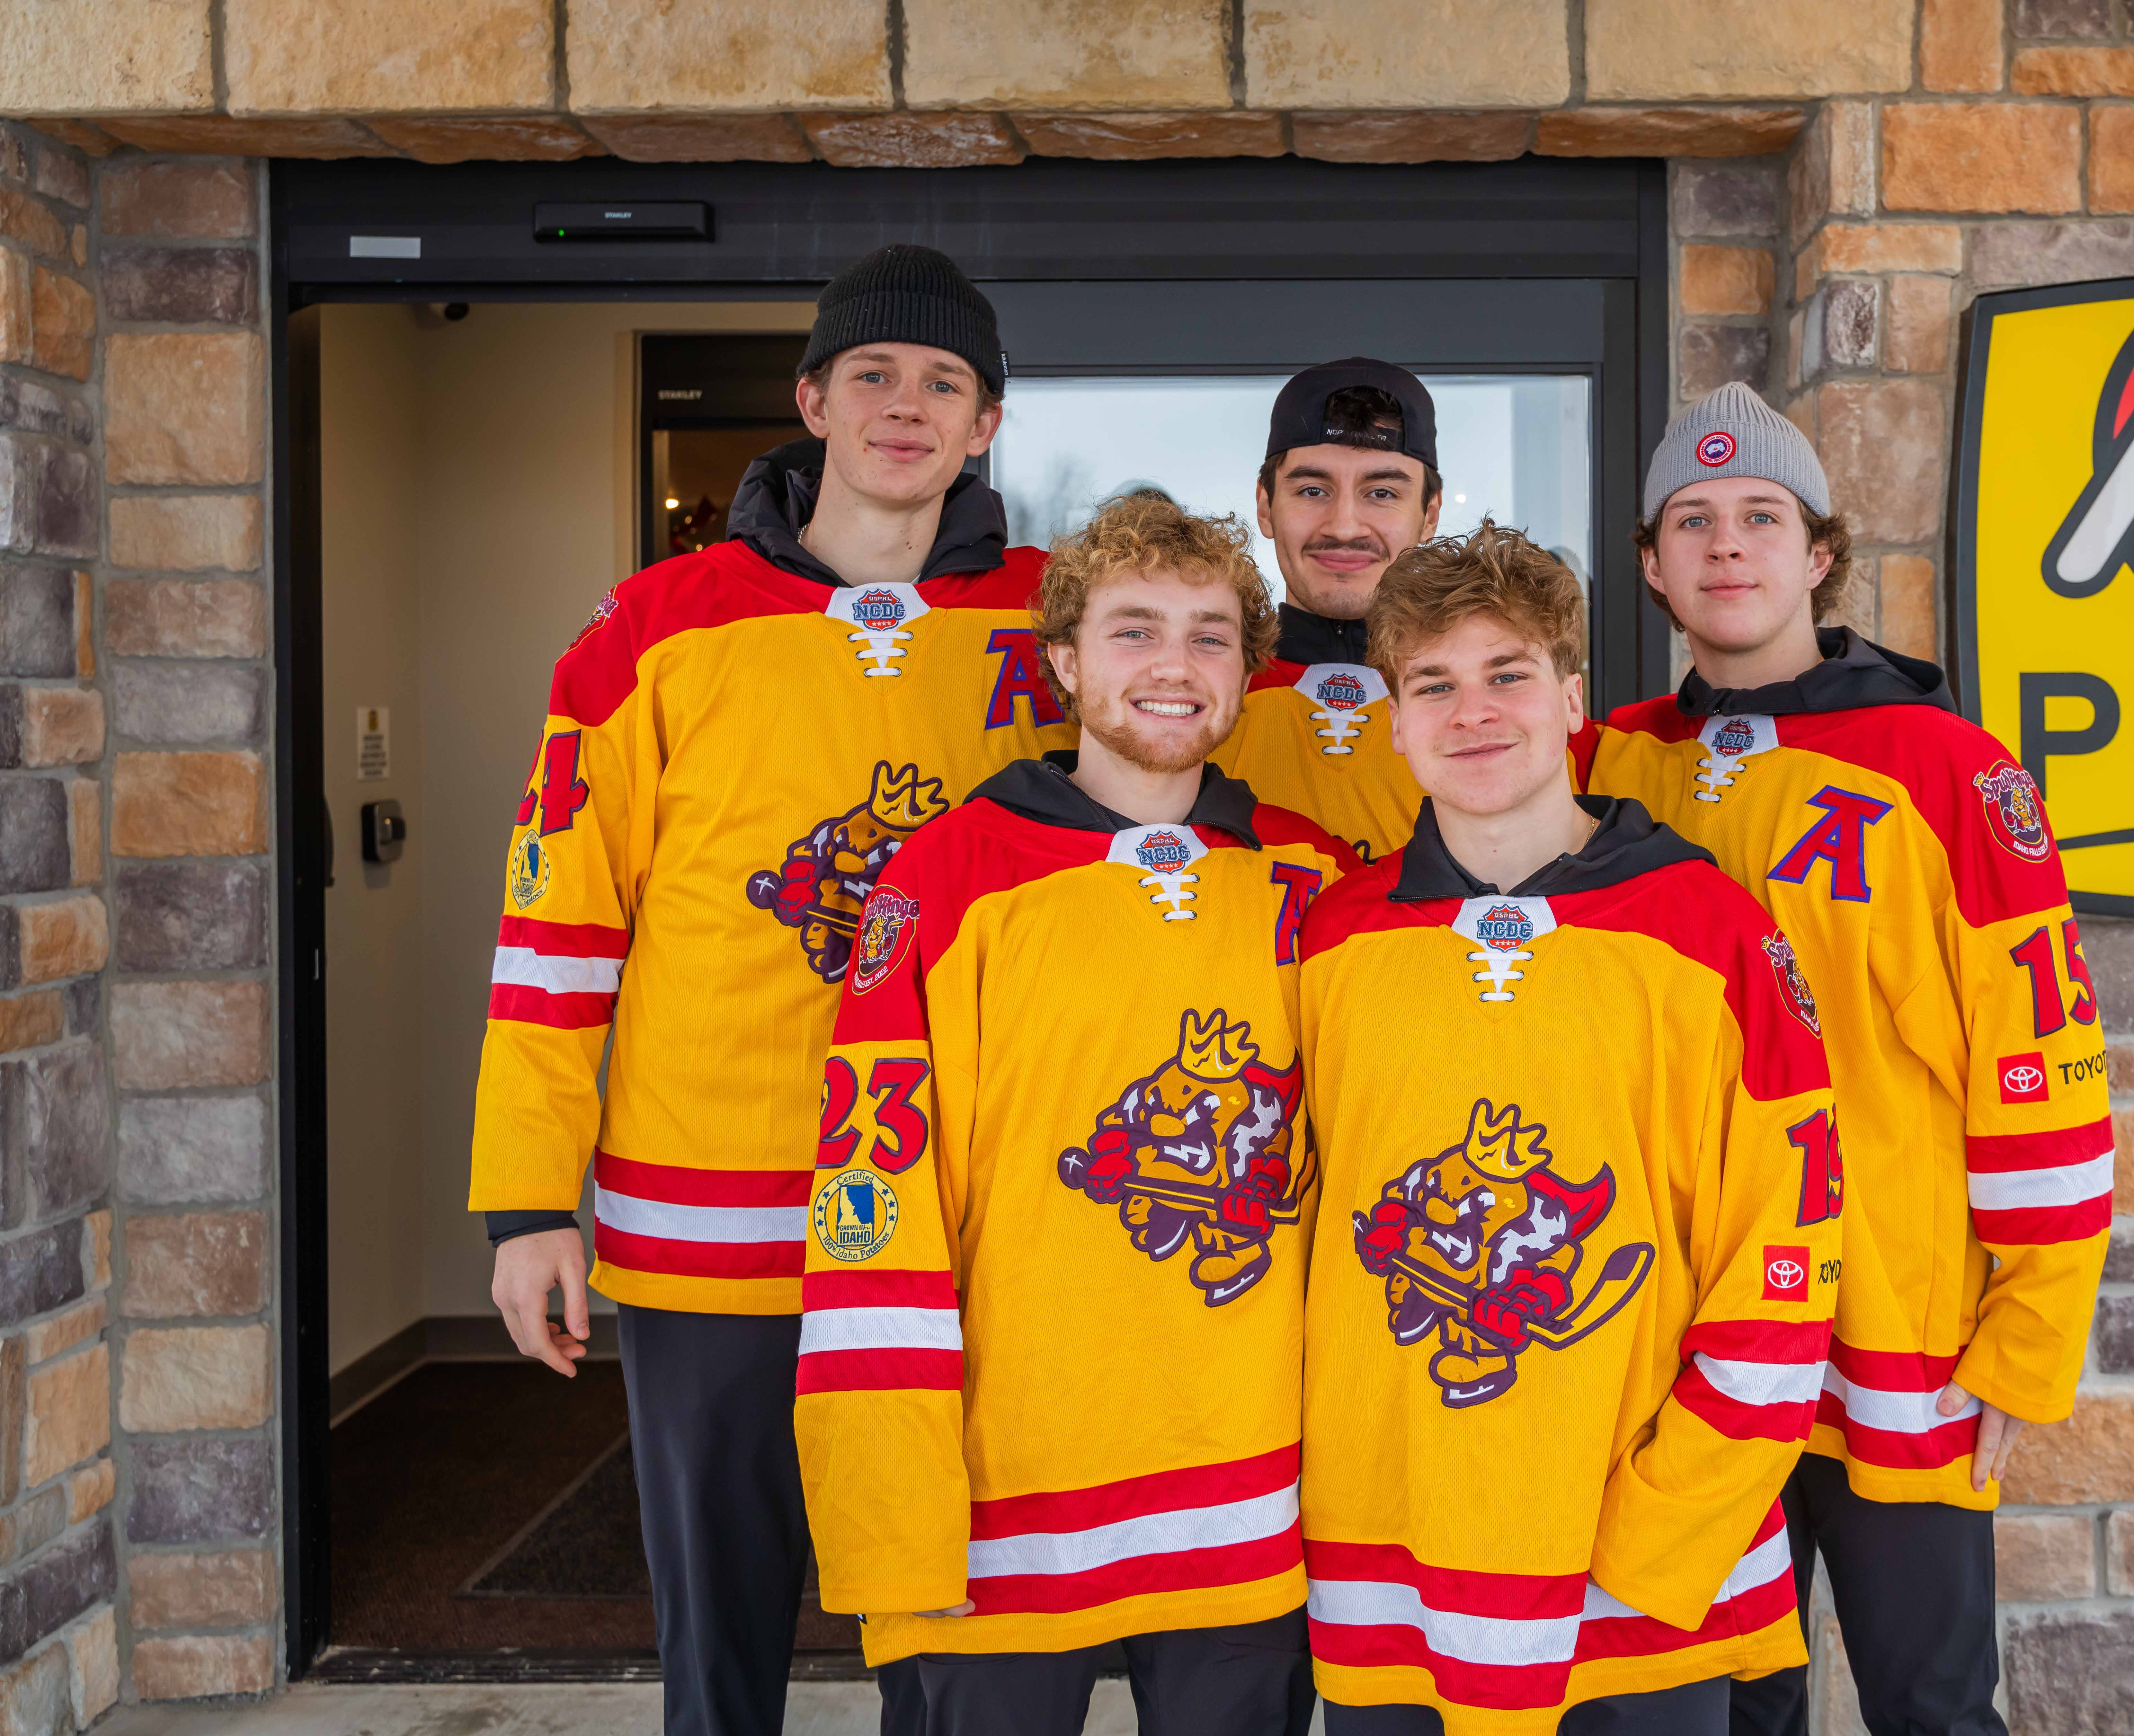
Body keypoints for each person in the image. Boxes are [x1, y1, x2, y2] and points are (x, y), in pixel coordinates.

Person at [468, 245, 1076, 1736]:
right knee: (722, 1615)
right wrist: (526, 1200)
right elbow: (558, 928)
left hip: (957, 1194)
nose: (905, 405)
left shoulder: (1060, 622)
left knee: (948, 1593)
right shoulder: (651, 628)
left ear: (986, 422)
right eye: (872, 372)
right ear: (811, 396)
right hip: (704, 1194)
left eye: (945, 381)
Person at [1585, 384, 2114, 1736]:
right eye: (1690, 523)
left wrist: (2028, 1331)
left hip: (1898, 1327)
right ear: (1650, 567)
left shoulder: (1944, 766)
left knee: (1929, 1707)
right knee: (1725, 1704)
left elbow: (2040, 1052)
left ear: (1815, 557)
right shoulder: (1607, 765)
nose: (1724, 547)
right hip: (1687, 1333)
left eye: (1759, 517)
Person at [796, 493, 1360, 1735]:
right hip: (1009, 1494)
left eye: (1211, 635)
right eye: (1134, 629)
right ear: (1063, 658)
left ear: (1251, 671)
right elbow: (870, 1205)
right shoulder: (943, 875)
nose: (1174, 665)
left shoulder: (1316, 883)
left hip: (1248, 1495)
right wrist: (895, 1514)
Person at [1297, 523, 1838, 1735]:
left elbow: (1788, 1242)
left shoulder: (1707, 926)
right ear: (1392, 720)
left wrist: (1672, 1519)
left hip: (1641, 1563)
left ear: (1573, 699)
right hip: (1391, 1563)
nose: (1472, 710)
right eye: (1432, 682)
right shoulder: (1330, 938)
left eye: (1508, 674)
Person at [1218, 358, 1446, 862]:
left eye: (1382, 493)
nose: (1344, 526)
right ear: (1265, 506)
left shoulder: (1484, 705)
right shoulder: (1197, 691)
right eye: (1313, 490)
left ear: (1429, 515)